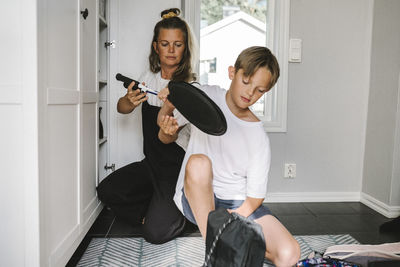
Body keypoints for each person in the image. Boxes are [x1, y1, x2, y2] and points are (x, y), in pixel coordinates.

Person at [157, 46, 301, 266]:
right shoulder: (205, 96)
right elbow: (165, 137)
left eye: (259, 90)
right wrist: (166, 113)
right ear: (232, 72)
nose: (250, 93)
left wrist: (236, 217)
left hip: (237, 203)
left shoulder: (258, 136)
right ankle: (217, 256)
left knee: (289, 254)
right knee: (198, 162)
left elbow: (254, 197)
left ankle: (232, 245)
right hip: (197, 198)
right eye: (246, 81)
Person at [96, 8, 197, 244]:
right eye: (165, 43)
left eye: (177, 44)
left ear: (185, 48)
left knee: (156, 234)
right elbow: (122, 108)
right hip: (151, 165)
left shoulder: (192, 85)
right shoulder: (147, 78)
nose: (171, 50)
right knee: (107, 190)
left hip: (177, 170)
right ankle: (155, 211)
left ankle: (184, 215)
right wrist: (128, 101)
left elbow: (173, 135)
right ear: (155, 47)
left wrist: (171, 104)